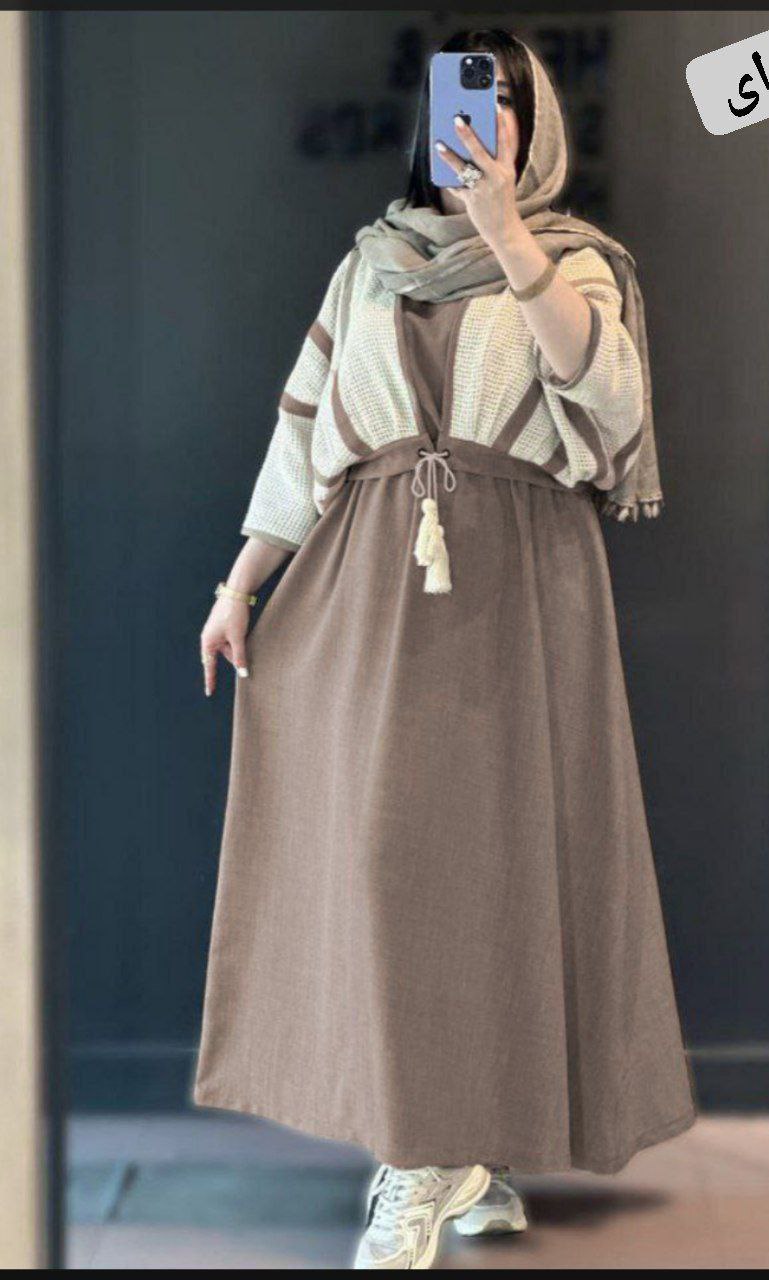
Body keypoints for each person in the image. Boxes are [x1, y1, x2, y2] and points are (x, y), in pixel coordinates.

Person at [194, 28, 695, 1271]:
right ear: (430, 117)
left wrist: (509, 237)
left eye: (508, 99)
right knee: (384, 865)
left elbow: (610, 405)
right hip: (364, 586)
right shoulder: (367, 264)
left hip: (517, 590)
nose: (486, 119)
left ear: (537, 123)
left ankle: (452, 1150)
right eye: (467, 97)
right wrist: (240, 582)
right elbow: (302, 433)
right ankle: (433, 1146)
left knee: (497, 870)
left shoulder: (575, 262)